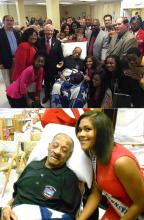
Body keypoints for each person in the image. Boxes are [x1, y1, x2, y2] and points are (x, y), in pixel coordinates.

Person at [75, 110, 144, 220]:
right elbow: (96, 192)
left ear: (102, 132)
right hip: (117, 208)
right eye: (79, 130)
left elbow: (141, 202)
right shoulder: (94, 154)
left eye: (87, 129)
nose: (81, 134)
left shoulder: (121, 162)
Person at [1, 133, 81, 220]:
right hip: (14, 214)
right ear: (49, 146)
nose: (57, 151)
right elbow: (16, 195)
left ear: (68, 155)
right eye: (55, 145)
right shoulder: (32, 166)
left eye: (64, 150)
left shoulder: (69, 178)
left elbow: (70, 214)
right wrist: (7, 207)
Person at [38, 24, 64, 103]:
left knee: (53, 82)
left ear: (53, 32)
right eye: (47, 30)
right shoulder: (39, 41)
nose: (49, 32)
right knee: (46, 82)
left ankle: (54, 96)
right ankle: (47, 96)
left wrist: (61, 64)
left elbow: (60, 55)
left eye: (51, 31)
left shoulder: (57, 42)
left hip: (54, 67)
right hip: (43, 66)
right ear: (44, 31)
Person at [0, 15, 20, 87]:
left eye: (11, 20)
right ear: (3, 21)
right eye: (7, 20)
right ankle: (10, 96)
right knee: (8, 82)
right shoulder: (0, 32)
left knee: (16, 79)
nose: (9, 22)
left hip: (16, 59)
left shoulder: (16, 32)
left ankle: (16, 96)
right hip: (5, 61)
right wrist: (0, 63)